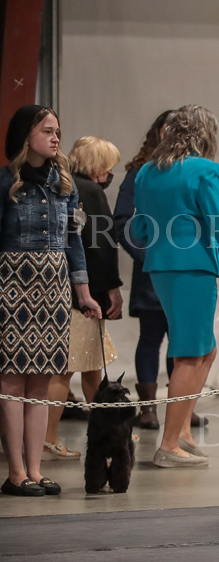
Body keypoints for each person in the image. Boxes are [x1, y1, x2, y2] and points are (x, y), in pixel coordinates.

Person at [131, 105, 219, 467]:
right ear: (205, 134)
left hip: (160, 266)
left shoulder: (146, 171)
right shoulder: (206, 170)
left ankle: (182, 433)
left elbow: (138, 228)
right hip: (192, 266)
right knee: (191, 353)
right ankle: (169, 445)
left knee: (204, 351)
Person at [0, 105, 102, 496]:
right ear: (26, 135)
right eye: (47, 131)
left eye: (58, 131)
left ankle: (35, 469)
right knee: (12, 379)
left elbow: (73, 241)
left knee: (41, 381)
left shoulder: (65, 183)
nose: (56, 137)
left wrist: (84, 293)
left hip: (53, 287)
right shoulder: (5, 181)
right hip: (12, 284)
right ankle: (15, 472)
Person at [114, 110, 206, 430]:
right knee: (151, 338)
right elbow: (123, 222)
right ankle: (148, 408)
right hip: (152, 271)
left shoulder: (189, 170)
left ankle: (180, 408)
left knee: (182, 339)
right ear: (158, 132)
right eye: (168, 127)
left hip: (185, 271)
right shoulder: (141, 171)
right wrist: (150, 256)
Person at [41, 136, 124, 460]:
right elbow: (101, 247)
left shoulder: (63, 186)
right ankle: (48, 436)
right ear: (97, 164)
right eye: (109, 165)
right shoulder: (90, 192)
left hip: (60, 287)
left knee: (91, 367)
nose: (111, 172)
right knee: (66, 369)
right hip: (84, 294)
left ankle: (108, 430)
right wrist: (111, 288)